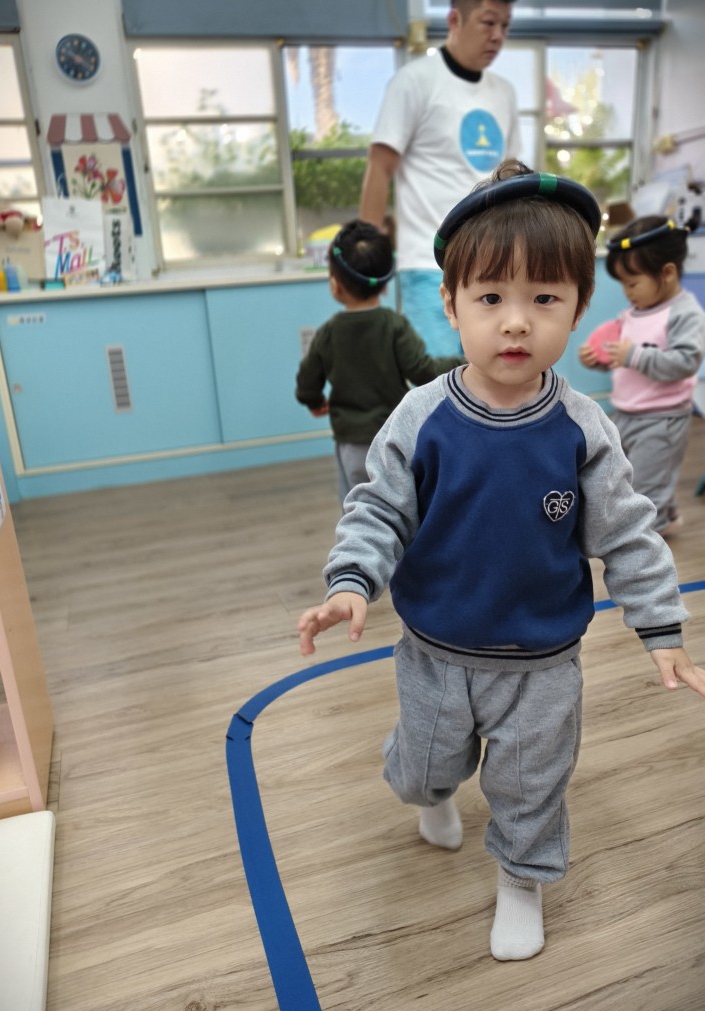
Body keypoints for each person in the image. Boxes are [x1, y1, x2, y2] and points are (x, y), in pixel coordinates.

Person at [297, 161, 705, 962]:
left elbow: (628, 533)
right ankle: (432, 795)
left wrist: (662, 628)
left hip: (543, 662)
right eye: (490, 299)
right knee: (421, 770)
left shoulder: (583, 429)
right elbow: (378, 507)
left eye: (544, 299)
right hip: (435, 651)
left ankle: (522, 881)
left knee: (530, 788)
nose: (515, 323)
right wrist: (351, 581)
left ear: (580, 309)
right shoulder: (422, 416)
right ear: (450, 305)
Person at [359, 0, 520, 359]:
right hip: (428, 265)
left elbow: (511, 176)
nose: (498, 36)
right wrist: (366, 256)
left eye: (505, 26)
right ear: (454, 20)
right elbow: (380, 166)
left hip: (495, 264)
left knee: (497, 379)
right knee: (437, 381)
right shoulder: (414, 81)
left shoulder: (504, 93)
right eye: (488, 23)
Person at [295, 219, 464, 505]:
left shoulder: (328, 333)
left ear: (335, 285)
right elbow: (423, 370)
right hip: (394, 438)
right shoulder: (394, 326)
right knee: (400, 504)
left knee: (359, 507)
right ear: (385, 285)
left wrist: (313, 400)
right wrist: (464, 361)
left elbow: (307, 380)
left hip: (351, 444)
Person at [578, 215, 705, 537]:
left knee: (648, 485)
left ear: (667, 273)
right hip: (627, 412)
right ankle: (666, 515)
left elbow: (686, 361)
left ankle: (648, 537)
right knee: (628, 476)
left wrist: (634, 355)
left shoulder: (685, 313)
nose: (627, 292)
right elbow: (623, 360)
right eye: (623, 284)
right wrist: (599, 360)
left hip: (662, 419)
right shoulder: (633, 313)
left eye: (632, 283)